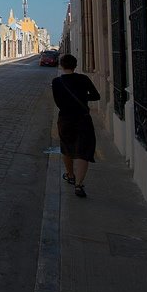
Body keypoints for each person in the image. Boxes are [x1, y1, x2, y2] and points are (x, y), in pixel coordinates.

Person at [51, 53, 101, 198]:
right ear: (75, 65)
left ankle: (70, 175)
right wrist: (82, 97)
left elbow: (58, 102)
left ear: (61, 65)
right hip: (83, 118)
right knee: (83, 150)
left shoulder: (57, 82)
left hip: (65, 119)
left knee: (67, 148)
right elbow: (96, 96)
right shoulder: (83, 79)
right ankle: (79, 184)